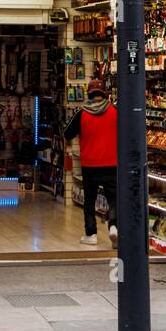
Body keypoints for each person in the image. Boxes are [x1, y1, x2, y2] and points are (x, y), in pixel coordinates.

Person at [64, 81, 118, 248]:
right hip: (112, 162)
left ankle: (91, 234)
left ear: (89, 94)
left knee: (89, 200)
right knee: (114, 199)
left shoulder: (82, 113)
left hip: (89, 164)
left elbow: (67, 133)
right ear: (104, 93)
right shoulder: (115, 111)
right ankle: (114, 227)